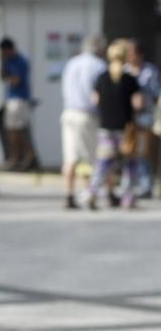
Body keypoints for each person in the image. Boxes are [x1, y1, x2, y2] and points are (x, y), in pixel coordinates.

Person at [90, 39, 142, 209]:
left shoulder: (101, 77)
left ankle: (93, 192)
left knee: (103, 163)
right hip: (126, 128)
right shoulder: (130, 79)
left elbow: (95, 100)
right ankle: (128, 198)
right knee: (130, 163)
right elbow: (138, 104)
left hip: (106, 127)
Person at [60, 34, 106, 209]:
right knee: (88, 157)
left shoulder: (72, 63)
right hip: (87, 114)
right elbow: (96, 95)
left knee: (70, 157)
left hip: (69, 112)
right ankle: (89, 193)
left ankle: (68, 193)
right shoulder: (99, 66)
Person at [126, 39, 159, 197]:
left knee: (143, 151)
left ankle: (145, 185)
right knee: (127, 151)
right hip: (126, 116)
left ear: (140, 54)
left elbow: (156, 94)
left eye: (133, 53)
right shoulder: (123, 70)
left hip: (144, 115)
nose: (130, 57)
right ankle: (128, 184)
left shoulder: (150, 71)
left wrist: (145, 100)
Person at [0, 37, 37, 170]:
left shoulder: (20, 61)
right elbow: (2, 77)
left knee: (18, 130)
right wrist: (3, 63)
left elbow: (16, 81)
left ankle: (22, 156)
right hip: (12, 99)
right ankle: (22, 156)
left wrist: (9, 76)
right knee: (12, 130)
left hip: (19, 99)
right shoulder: (7, 61)